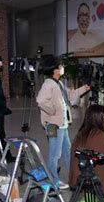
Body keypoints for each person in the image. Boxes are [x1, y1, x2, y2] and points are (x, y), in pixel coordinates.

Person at [36, 56, 89, 189]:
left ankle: (74, 175)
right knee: (55, 153)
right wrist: (52, 111)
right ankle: (53, 180)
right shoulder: (48, 84)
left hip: (62, 125)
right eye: (60, 66)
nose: (62, 68)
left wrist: (84, 89)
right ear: (55, 69)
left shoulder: (58, 83)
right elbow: (41, 101)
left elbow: (70, 95)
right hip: (54, 125)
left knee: (68, 151)